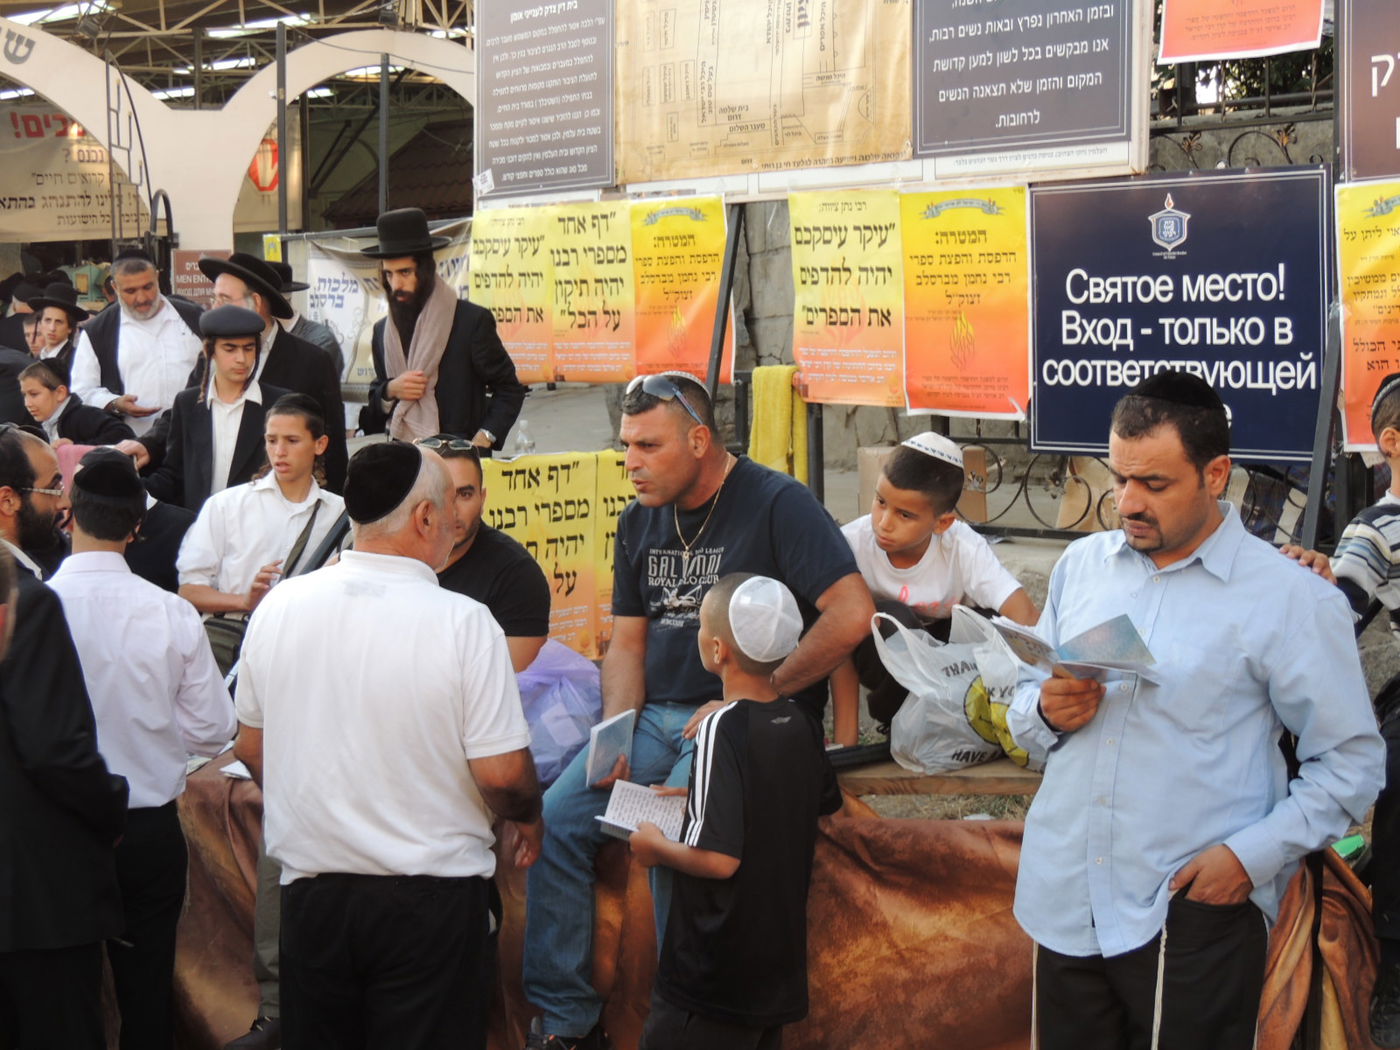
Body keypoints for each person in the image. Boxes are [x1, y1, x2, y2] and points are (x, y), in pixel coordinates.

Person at [1005, 370, 1384, 1050]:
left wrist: (1248, 859)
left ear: (1216, 475)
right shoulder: (1082, 567)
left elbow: (1352, 763)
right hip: (1065, 894)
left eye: (1154, 484)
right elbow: (1029, 711)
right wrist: (1045, 711)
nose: (1127, 502)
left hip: (1190, 911)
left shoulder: (1291, 600)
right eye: (1118, 477)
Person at [522, 371, 873, 1050]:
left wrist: (754, 696)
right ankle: (568, 1025)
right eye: (625, 446)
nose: (630, 464)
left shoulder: (777, 503)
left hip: (740, 720)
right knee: (558, 820)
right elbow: (626, 643)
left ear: (699, 439)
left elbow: (852, 614)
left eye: (647, 446)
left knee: (681, 837)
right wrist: (616, 729)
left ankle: (682, 1019)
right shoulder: (637, 518)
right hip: (655, 717)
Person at [233, 440, 543, 1050]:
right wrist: (528, 815)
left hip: (314, 897)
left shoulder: (282, 607)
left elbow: (250, 747)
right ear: (425, 519)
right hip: (429, 903)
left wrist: (316, 806)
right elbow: (504, 775)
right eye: (444, 508)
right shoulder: (463, 622)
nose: (454, 520)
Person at [49, 449, 235, 1050]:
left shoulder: (35, 607)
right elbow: (212, 729)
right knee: (146, 988)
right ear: (137, 528)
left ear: (69, 515)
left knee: (62, 992)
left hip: (57, 829)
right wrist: (152, 735)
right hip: (146, 826)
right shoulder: (171, 612)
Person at [630, 573, 843, 1050]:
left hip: (712, 973)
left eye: (703, 626)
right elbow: (814, 799)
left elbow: (719, 860)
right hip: (775, 970)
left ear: (718, 651)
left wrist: (656, 848)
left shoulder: (719, 727)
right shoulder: (802, 723)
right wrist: (699, 798)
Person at [0, 426, 129, 1050]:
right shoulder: (25, 601)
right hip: (37, 904)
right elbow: (54, 749)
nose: (63, 505)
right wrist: (112, 803)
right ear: (7, 500)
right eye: (52, 487)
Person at [831, 431, 1039, 741]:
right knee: (889, 616)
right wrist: (845, 741)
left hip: (948, 661)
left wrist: (1043, 696)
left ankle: (977, 719)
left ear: (942, 523)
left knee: (993, 623)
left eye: (904, 514)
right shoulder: (851, 545)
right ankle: (898, 721)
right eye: (880, 502)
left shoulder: (962, 547)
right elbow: (837, 644)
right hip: (890, 666)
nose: (884, 522)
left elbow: (1024, 614)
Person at [1310, 371, 1400, 1047]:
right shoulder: (1378, 532)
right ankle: (1391, 962)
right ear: (1392, 442)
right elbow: (1337, 618)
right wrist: (1311, 586)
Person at [177, 391, 343, 672]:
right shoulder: (226, 505)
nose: (279, 451)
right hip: (232, 646)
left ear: (320, 444)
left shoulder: (339, 514)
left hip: (305, 649)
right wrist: (244, 600)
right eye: (271, 440)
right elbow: (189, 590)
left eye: (292, 441)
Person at [362, 207, 526, 449]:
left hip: (461, 458)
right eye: (389, 275)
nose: (396, 284)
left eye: (405, 272)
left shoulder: (471, 321)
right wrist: (390, 389)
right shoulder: (381, 332)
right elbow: (377, 400)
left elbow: (510, 389)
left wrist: (485, 437)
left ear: (425, 270)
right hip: (406, 460)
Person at [419, 435, 550, 672]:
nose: (451, 510)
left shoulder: (518, 577)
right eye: (438, 494)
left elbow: (511, 687)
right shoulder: (385, 554)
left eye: (464, 495)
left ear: (483, 499)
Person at [144, 304, 290, 512]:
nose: (241, 359)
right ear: (210, 351)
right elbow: (173, 474)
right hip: (200, 528)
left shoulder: (280, 403)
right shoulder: (187, 404)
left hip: (257, 528)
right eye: (230, 349)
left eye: (249, 348)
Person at [70, 250, 204, 437]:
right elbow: (81, 391)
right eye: (130, 291)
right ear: (115, 287)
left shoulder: (193, 318)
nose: (141, 298)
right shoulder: (99, 332)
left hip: (195, 438)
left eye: (148, 287)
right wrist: (114, 403)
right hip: (133, 441)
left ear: (157, 277)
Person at [21, 359, 135, 445]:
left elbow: (124, 434)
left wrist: (75, 449)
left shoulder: (84, 416)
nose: (27, 403)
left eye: (34, 394)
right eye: (25, 395)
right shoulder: (43, 424)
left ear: (60, 393)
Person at [26, 281, 89, 374]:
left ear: (70, 328)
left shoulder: (79, 360)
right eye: (47, 320)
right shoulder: (31, 360)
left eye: (59, 322)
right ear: (40, 323)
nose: (52, 328)